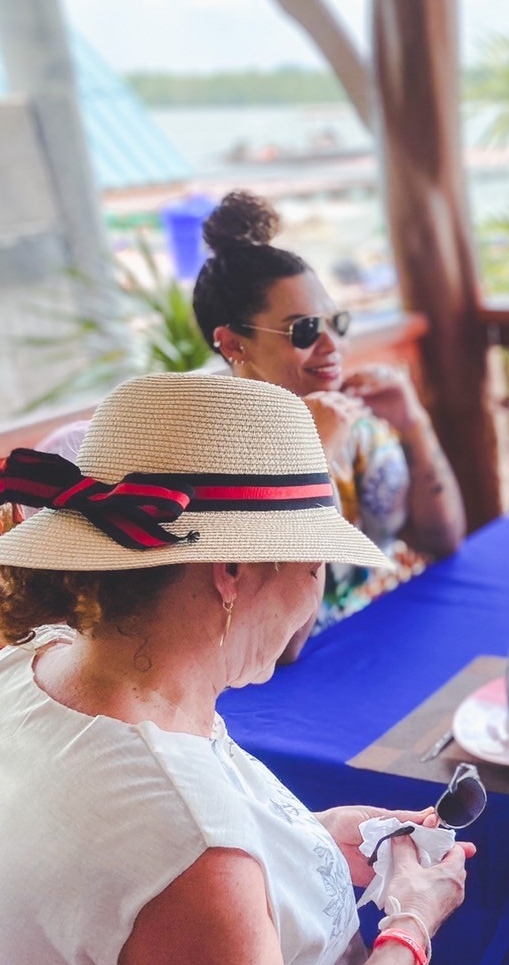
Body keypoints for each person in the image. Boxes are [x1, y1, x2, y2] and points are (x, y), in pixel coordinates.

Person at [0, 372, 475, 965]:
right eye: (316, 569)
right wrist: (409, 931)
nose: (313, 603)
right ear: (233, 571)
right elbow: (176, 857)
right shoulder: (187, 849)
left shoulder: (39, 661)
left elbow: (120, 890)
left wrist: (309, 836)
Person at [193, 191, 465, 648]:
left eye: (335, 322)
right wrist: (312, 463)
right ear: (234, 345)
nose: (332, 346)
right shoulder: (221, 457)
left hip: (389, 627)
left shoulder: (350, 415)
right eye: (304, 330)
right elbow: (284, 645)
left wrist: (412, 424)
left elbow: (442, 539)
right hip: (300, 679)